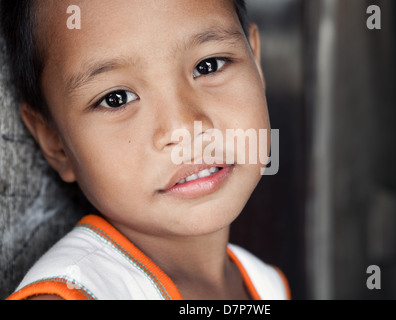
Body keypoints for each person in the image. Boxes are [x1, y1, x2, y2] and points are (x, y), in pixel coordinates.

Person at [1, 0, 290, 300]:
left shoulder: (268, 284)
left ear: (256, 62)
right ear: (55, 142)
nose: (184, 127)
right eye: (116, 98)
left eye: (208, 66)